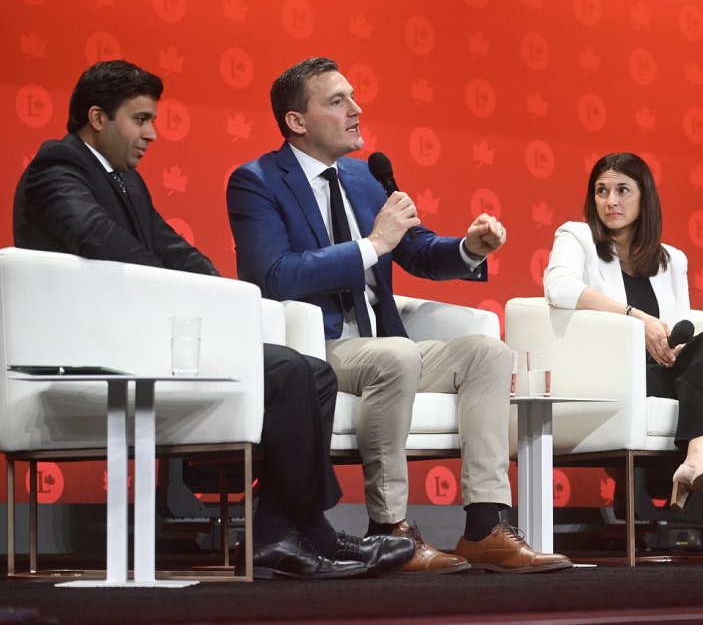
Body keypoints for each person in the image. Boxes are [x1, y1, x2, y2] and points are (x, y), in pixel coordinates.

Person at [13, 60, 415, 580]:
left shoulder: (125, 179)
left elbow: (173, 249)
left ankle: (292, 532)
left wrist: (225, 295)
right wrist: (195, 296)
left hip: (135, 340)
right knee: (291, 371)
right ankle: (289, 535)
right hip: (91, 354)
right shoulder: (57, 169)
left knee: (312, 371)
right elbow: (105, 245)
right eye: (140, 120)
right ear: (97, 118)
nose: (152, 134)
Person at [226, 56, 571, 574]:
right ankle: (389, 527)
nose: (356, 109)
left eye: (353, 96)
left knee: (487, 353)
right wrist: (371, 245)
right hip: (315, 351)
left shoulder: (365, 179)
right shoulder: (256, 181)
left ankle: (485, 527)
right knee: (396, 357)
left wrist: (468, 249)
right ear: (296, 121)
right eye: (337, 101)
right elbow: (275, 275)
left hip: (381, 344)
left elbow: (416, 250)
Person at [544, 152, 703, 567]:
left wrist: (672, 346)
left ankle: (700, 460)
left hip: (663, 373)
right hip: (611, 376)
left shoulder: (671, 259)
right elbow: (558, 287)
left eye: (622, 190)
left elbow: (679, 326)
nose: (610, 201)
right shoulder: (577, 236)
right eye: (602, 191)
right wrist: (635, 318)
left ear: (644, 198)